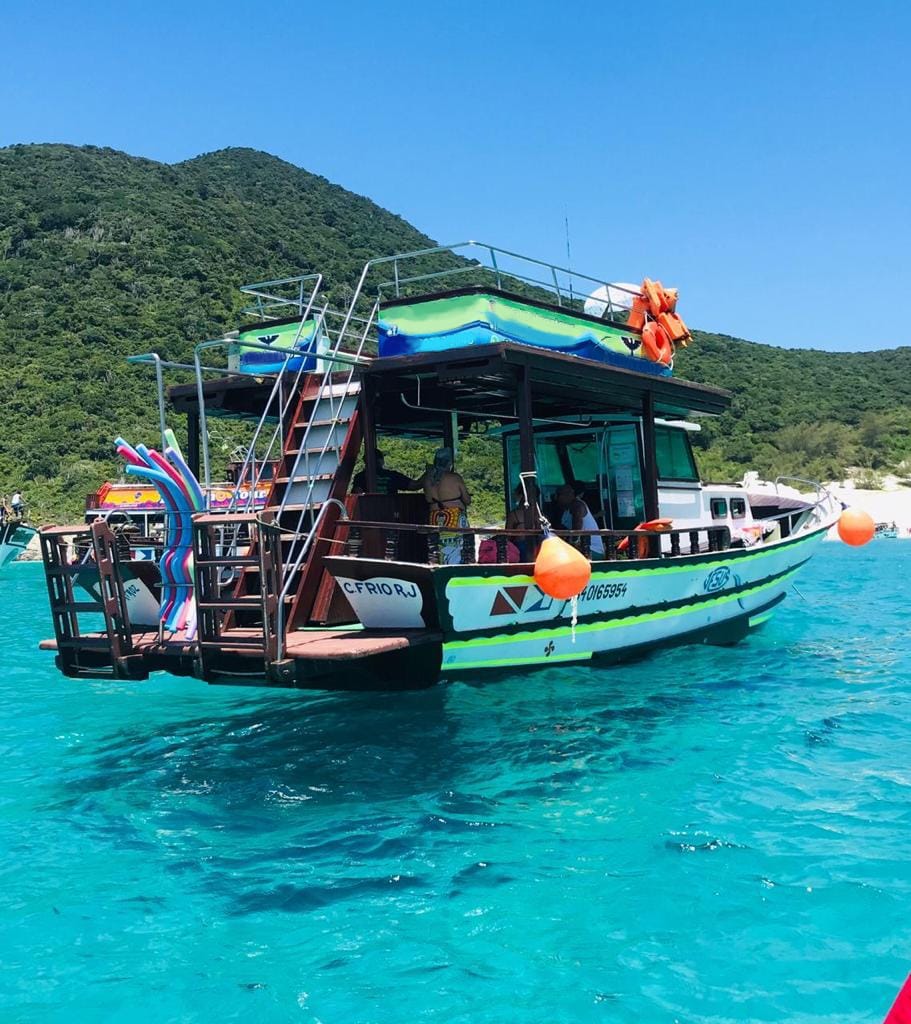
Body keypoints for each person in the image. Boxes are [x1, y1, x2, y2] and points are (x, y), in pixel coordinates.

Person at [423, 447, 470, 564]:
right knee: (456, 548)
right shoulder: (455, 478)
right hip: (454, 516)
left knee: (437, 547)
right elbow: (467, 500)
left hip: (434, 516)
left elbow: (428, 498)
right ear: (449, 463)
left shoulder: (428, 479)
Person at [555, 483, 604, 557]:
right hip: (580, 549)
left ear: (568, 495)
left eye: (558, 495)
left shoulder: (577, 506)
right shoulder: (565, 511)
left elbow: (576, 531)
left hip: (592, 550)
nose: (556, 498)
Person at [352, 450, 422, 496]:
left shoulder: (359, 477)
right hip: (390, 511)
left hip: (367, 513)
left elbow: (357, 494)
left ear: (365, 461)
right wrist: (428, 477)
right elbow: (414, 485)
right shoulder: (392, 475)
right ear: (381, 461)